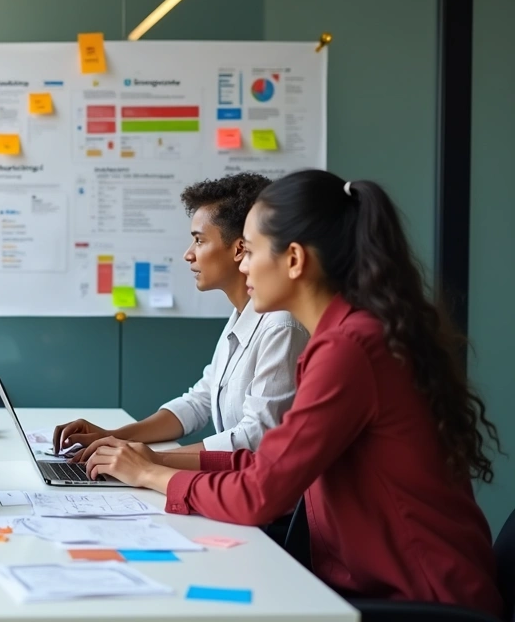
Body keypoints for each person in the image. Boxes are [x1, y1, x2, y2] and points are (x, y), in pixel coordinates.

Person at [83, 170, 502, 613]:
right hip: (381, 588)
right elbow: (270, 461)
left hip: (426, 602)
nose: (243, 265)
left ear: (295, 260)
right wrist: (153, 461)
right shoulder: (344, 337)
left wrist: (151, 476)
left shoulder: (350, 348)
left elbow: (260, 494)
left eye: (251, 251)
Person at [55, 173, 308, 458]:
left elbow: (256, 438)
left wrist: (151, 460)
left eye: (199, 241)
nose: (188, 254)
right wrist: (112, 436)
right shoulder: (241, 315)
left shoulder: (281, 325)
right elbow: (200, 401)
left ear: (239, 248)